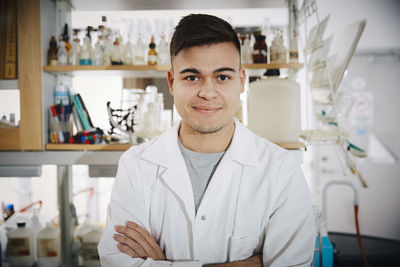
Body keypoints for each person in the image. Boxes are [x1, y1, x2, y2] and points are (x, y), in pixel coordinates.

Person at [98, 14, 315, 267]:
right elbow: (117, 262)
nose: (207, 92)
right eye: (192, 77)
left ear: (241, 81)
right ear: (171, 82)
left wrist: (163, 263)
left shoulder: (280, 169)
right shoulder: (136, 164)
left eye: (222, 77)